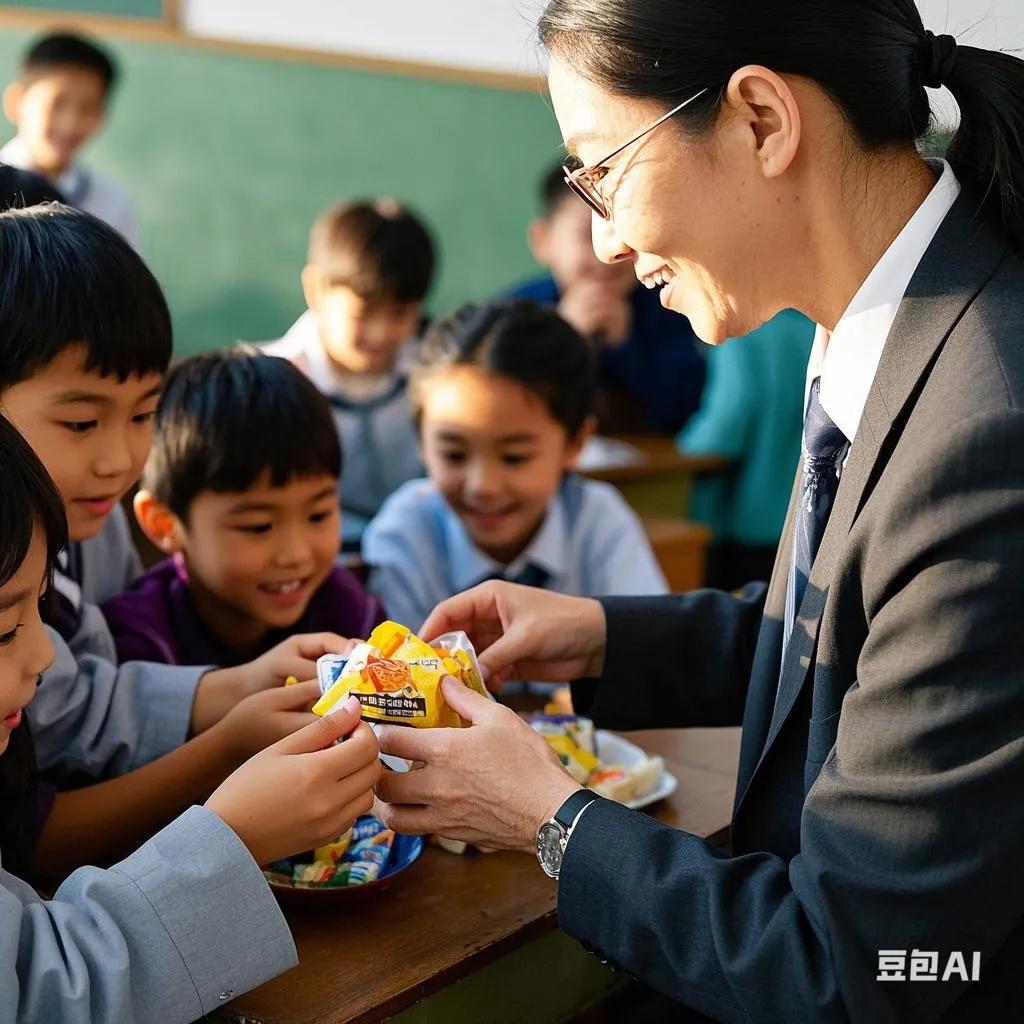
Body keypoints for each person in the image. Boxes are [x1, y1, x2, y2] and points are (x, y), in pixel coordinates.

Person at [373, 2, 1024, 1020]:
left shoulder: (987, 429)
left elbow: (854, 971)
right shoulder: (885, 319)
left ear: (761, 119)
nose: (601, 240)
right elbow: (879, 638)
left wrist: (546, 814)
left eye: (603, 168)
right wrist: (598, 633)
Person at [0, 205, 351, 879]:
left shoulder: (88, 526)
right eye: (81, 422)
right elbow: (31, 830)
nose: (120, 457)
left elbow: (87, 701)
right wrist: (226, 743)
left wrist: (240, 687)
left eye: (142, 414)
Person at [0, 412, 381, 1023]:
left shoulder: (345, 599)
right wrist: (231, 834)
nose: (48, 656)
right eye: (5, 629)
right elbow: (50, 989)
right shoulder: (138, 620)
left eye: (143, 413)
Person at [362, 299, 667, 631]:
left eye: (514, 457)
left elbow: (651, 651)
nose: (483, 486)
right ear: (420, 441)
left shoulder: (598, 522)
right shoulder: (404, 536)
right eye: (454, 454)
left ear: (575, 443)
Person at [102, 349, 386, 667]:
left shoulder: (348, 611)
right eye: (258, 526)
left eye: (318, 515)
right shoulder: (139, 644)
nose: (296, 554)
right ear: (164, 524)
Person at [264, 199, 435, 551]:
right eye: (364, 312)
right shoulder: (270, 382)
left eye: (401, 313)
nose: (381, 333)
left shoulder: (436, 373)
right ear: (316, 290)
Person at [509, 162, 705, 435]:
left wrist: (625, 348)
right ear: (543, 240)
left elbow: (686, 411)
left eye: (626, 231)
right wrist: (561, 341)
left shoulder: (668, 304)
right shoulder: (514, 315)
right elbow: (503, 408)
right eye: (587, 235)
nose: (609, 251)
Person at [678, 308, 815, 589]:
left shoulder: (740, 331)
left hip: (746, 526)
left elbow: (724, 428)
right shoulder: (824, 327)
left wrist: (681, 449)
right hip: (806, 524)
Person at [1, 32, 139, 247]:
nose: (70, 122)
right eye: (56, 103)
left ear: (102, 117)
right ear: (16, 102)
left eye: (87, 108)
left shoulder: (111, 205)